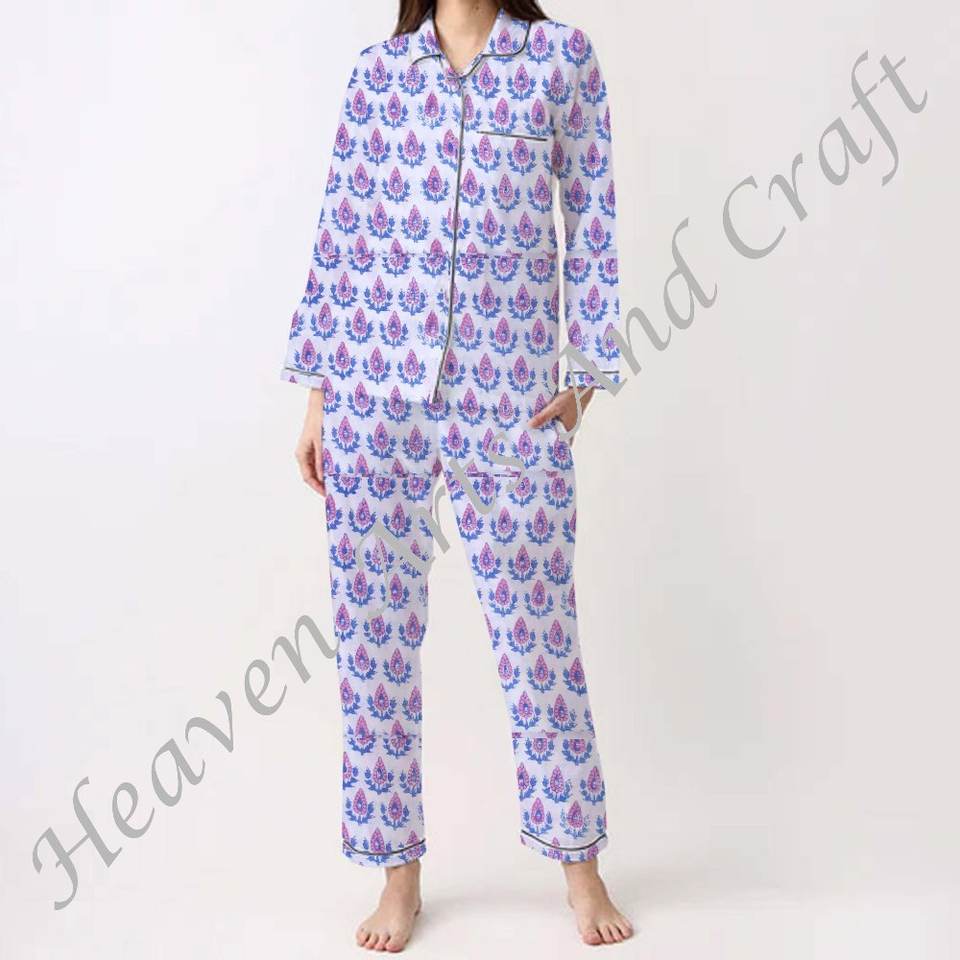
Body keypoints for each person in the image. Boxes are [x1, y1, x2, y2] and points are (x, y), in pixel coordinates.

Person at [281, 0, 633, 950]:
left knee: (539, 635)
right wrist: (318, 397)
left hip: (509, 398)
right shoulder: (379, 74)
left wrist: (585, 375)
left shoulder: (560, 60)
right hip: (373, 389)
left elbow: (592, 216)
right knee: (372, 646)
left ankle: (582, 868)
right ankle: (397, 878)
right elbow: (343, 233)